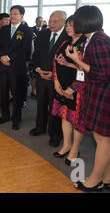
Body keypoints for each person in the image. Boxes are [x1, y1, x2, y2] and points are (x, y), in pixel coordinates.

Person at [65, 5, 110, 193]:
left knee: (103, 140)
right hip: (108, 94)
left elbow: (100, 73)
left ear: (85, 20)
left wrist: (76, 60)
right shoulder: (98, 38)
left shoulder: (98, 41)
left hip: (106, 95)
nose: (73, 23)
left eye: (76, 19)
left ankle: (94, 181)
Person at [51, 16, 87, 165]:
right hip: (62, 86)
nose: (68, 28)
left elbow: (85, 69)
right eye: (67, 25)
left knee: (77, 120)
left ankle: (75, 150)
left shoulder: (85, 44)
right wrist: (56, 81)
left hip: (77, 89)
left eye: (71, 25)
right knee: (65, 116)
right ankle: (67, 145)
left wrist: (72, 89)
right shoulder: (65, 42)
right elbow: (55, 61)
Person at [30, 11, 68, 147]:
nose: (51, 24)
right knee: (41, 104)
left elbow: (70, 63)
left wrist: (54, 74)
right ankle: (40, 127)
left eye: (56, 21)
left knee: (55, 107)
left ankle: (55, 134)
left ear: (64, 22)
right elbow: (36, 56)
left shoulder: (68, 37)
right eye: (50, 20)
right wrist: (38, 69)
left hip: (58, 80)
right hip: (41, 77)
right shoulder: (43, 34)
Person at [0, 5, 32, 130]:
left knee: (17, 94)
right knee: (3, 93)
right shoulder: (4, 29)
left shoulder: (26, 30)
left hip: (16, 67)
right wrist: (2, 57)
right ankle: (5, 115)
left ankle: (16, 118)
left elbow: (25, 48)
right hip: (3, 66)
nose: (13, 16)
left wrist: (9, 57)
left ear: (22, 15)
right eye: (11, 14)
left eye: (16, 14)